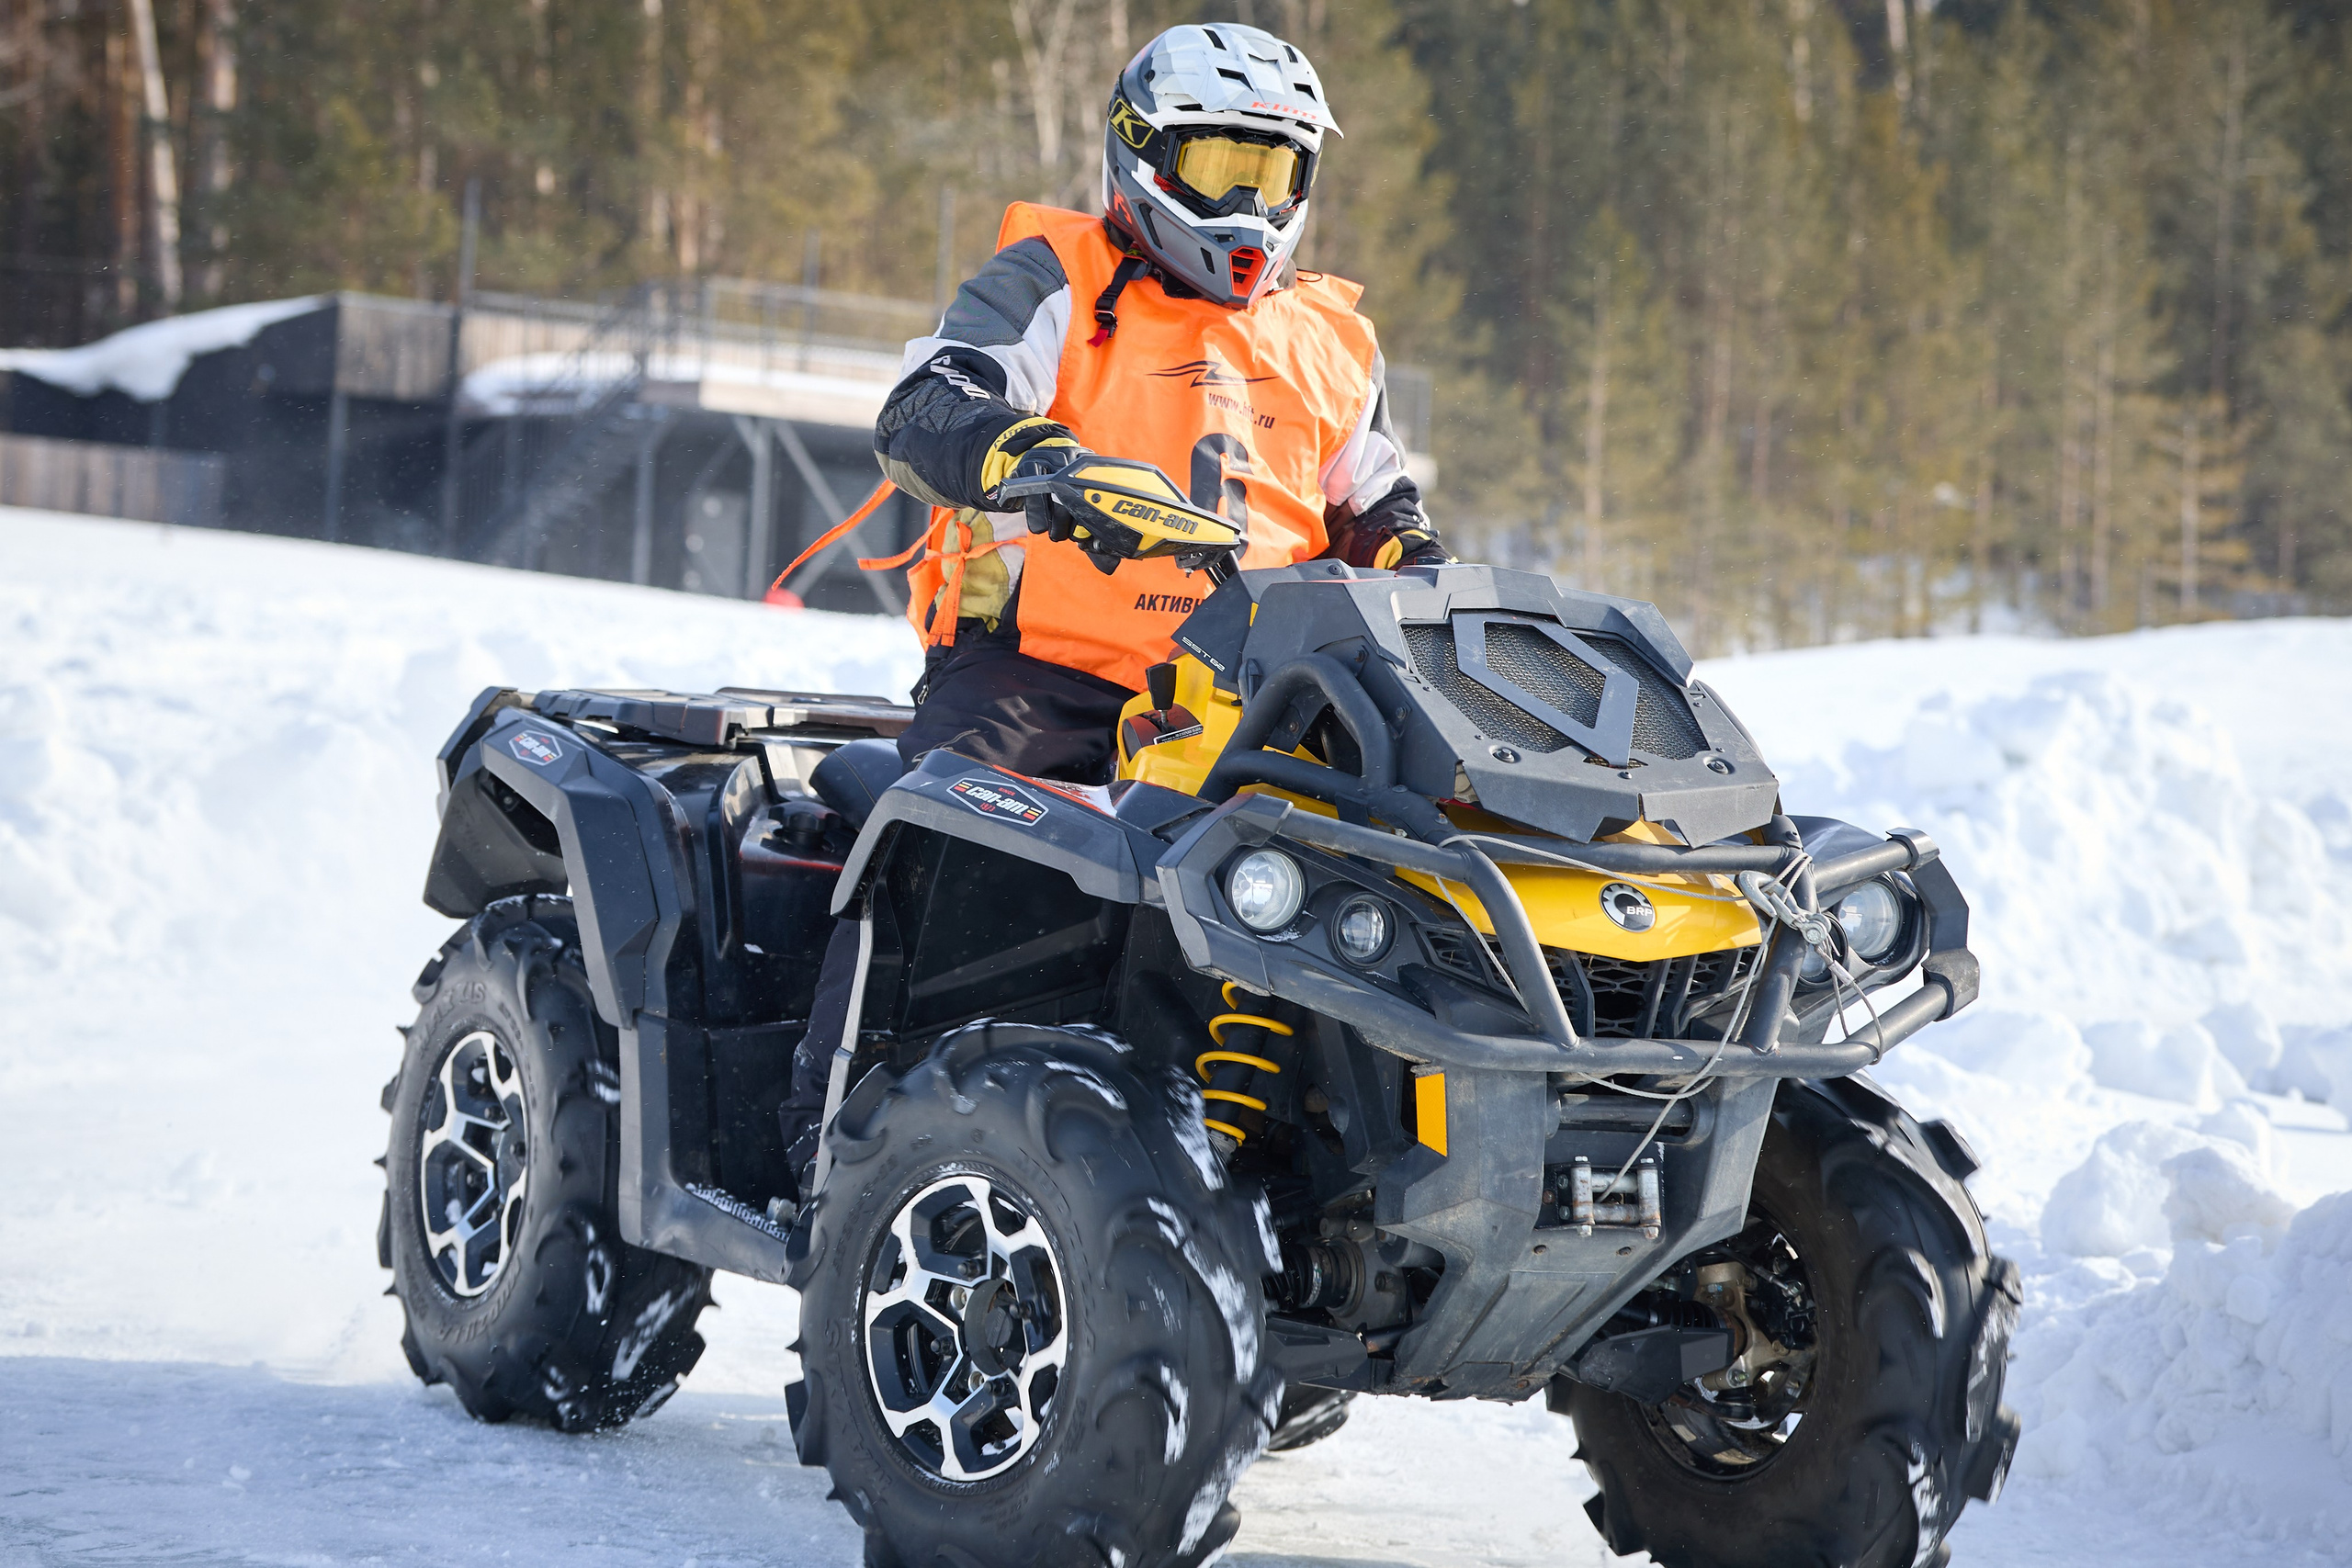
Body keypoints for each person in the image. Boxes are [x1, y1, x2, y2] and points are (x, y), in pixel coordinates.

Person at [779, 19, 1446, 1197]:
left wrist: (1417, 567)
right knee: (932, 846)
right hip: (1041, 678)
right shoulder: (1051, 279)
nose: (1248, 202)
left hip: (1258, 701)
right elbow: (926, 403)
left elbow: (1381, 505)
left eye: (1275, 171)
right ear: (1139, 155)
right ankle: (830, 1150)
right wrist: (1032, 458)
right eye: (1217, 168)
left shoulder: (1331, 337)